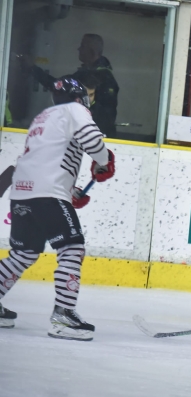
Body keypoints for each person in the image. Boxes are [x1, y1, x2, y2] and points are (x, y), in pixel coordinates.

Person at [0, 77, 115, 339]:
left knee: (23, 253)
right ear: (79, 98)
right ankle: (63, 316)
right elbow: (94, 142)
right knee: (72, 248)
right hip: (48, 193)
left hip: (23, 192)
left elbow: (42, 159)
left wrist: (70, 192)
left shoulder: (42, 118)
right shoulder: (75, 109)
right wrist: (104, 160)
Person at [27, 34, 119, 138]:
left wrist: (32, 69)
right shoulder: (89, 73)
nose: (78, 49)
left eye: (83, 46)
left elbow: (105, 118)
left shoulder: (100, 77)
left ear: (91, 51)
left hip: (92, 139)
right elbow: (60, 86)